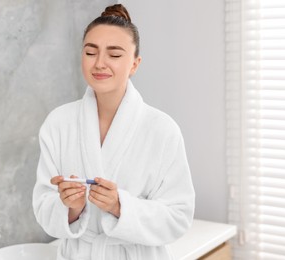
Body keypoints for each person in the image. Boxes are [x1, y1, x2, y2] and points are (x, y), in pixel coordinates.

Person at [33, 4, 195, 260]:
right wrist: (71, 208)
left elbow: (178, 218)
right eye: (90, 52)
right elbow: (43, 207)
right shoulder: (58, 123)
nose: (99, 63)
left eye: (115, 55)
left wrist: (120, 206)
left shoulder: (162, 130)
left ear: (134, 64)